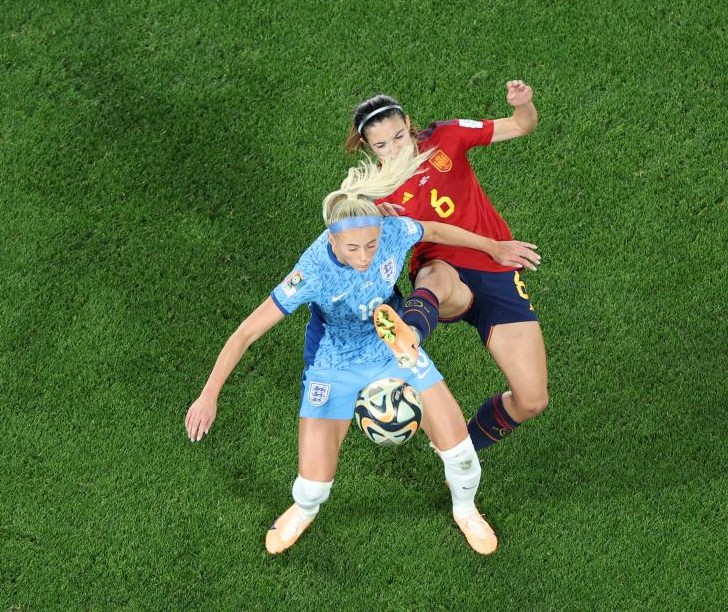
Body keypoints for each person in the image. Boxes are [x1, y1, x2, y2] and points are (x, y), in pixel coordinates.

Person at [185, 146, 510, 555]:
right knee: (312, 487)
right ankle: (302, 511)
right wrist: (209, 394)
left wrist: (492, 247)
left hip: (393, 346)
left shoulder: (390, 231)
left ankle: (466, 511)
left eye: (371, 246)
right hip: (333, 364)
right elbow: (246, 332)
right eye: (352, 248)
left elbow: (434, 230)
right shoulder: (311, 272)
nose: (364, 257)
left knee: (462, 456)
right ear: (332, 239)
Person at [344, 81, 547, 453]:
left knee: (532, 399)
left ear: (409, 124)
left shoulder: (446, 137)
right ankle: (409, 338)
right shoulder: (370, 193)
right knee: (436, 278)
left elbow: (522, 125)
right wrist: (377, 222)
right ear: (368, 147)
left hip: (496, 266)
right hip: (440, 267)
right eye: (382, 145)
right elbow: (362, 261)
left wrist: (524, 104)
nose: (394, 150)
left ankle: (462, 453)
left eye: (399, 137)